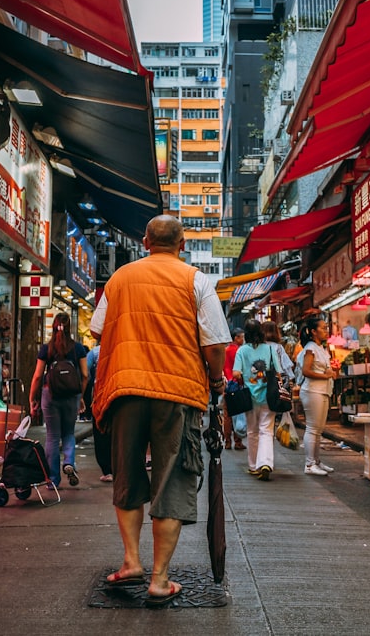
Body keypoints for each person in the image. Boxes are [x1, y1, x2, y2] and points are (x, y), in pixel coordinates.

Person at [91, 215, 228, 607]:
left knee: (127, 474)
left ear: (145, 240)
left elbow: (99, 332)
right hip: (176, 391)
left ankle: (131, 561)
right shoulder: (197, 281)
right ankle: (159, 579)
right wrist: (215, 381)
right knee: (171, 479)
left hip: (125, 389)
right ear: (182, 245)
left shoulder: (119, 279)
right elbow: (215, 345)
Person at [29, 312, 89, 488]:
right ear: (70, 327)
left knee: (53, 436)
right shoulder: (78, 348)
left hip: (51, 394)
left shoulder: (46, 349)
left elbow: (38, 376)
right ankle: (69, 461)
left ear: (54, 326)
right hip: (71, 395)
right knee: (69, 432)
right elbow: (85, 375)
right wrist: (81, 395)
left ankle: (53, 479)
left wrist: (33, 398)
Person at [233, 318, 280, 481]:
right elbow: (279, 372)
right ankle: (265, 463)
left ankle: (253, 466)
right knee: (266, 430)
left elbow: (236, 373)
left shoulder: (241, 351)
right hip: (269, 396)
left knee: (252, 432)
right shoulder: (269, 349)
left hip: (249, 397)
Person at [297, 316, 339, 476]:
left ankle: (316, 461)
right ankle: (309, 464)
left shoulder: (321, 348)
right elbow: (306, 371)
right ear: (313, 332)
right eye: (322, 328)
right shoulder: (310, 348)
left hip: (322, 391)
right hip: (312, 391)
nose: (326, 331)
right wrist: (326, 375)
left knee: (319, 429)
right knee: (313, 428)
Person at [83, 340, 112, 482]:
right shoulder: (121, 349)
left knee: (100, 432)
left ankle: (107, 470)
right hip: (118, 396)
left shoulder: (94, 352)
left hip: (99, 397)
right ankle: (119, 468)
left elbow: (85, 373)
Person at [223, 327, 246, 450]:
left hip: (227, 385)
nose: (243, 339)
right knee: (237, 412)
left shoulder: (225, 350)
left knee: (227, 415)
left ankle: (227, 441)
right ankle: (238, 441)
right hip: (236, 384)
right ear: (236, 337)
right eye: (241, 336)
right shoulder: (239, 351)